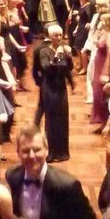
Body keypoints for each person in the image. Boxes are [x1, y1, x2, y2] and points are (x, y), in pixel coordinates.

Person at [38, 24, 74, 162]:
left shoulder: (64, 49)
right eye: (56, 35)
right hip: (49, 88)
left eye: (60, 35)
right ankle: (52, 153)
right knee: (51, 120)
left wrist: (69, 57)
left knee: (63, 119)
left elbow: (69, 68)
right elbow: (46, 67)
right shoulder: (44, 51)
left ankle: (63, 152)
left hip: (61, 88)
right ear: (50, 37)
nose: (59, 38)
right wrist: (56, 57)